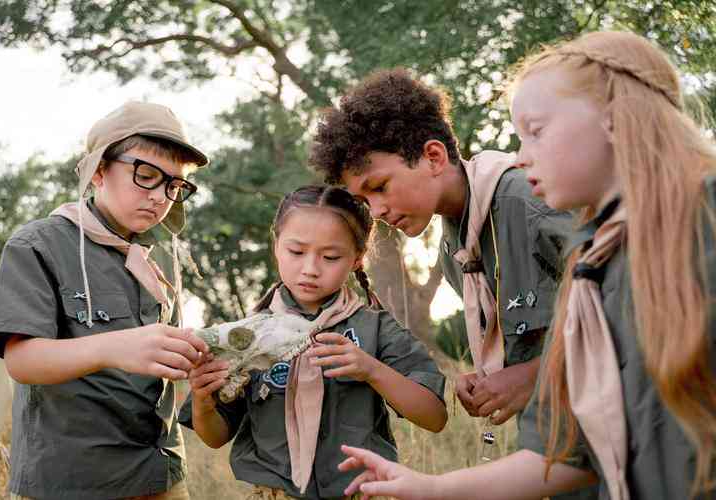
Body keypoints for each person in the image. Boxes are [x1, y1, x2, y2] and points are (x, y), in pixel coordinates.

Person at [337, 30, 716, 500]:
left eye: (535, 131)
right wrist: (428, 484)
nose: (521, 155)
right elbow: (569, 453)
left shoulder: (545, 208)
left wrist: (532, 375)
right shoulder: (483, 253)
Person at [310, 68, 574, 428]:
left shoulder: (530, 202)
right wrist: (488, 374)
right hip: (554, 444)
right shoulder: (457, 253)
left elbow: (641, 307)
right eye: (363, 200)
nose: (376, 211)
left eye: (380, 186)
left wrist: (535, 375)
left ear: (433, 157)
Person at [0, 101, 211, 499]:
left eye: (174, 186)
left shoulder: (153, 263)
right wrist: (114, 347)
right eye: (146, 175)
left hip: (160, 474)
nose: (160, 197)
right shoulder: (39, 245)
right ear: (100, 170)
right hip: (73, 480)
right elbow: (21, 360)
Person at [180, 185, 448, 499]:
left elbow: (434, 417)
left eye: (330, 256)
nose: (310, 269)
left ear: (357, 259)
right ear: (277, 245)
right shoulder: (247, 336)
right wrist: (202, 400)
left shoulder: (376, 328)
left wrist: (371, 370)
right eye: (296, 252)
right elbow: (214, 436)